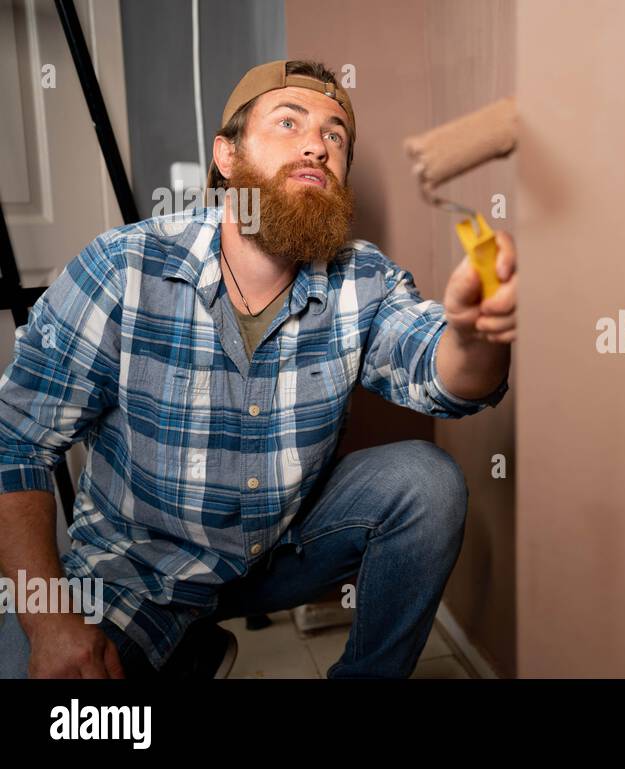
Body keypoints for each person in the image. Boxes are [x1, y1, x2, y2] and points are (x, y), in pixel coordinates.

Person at [0, 60, 516, 678]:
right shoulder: (123, 268)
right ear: (226, 156)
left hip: (276, 553)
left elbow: (445, 374)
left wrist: (475, 331)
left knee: (425, 481)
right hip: (134, 576)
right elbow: (15, 441)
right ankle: (184, 644)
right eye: (289, 122)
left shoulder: (362, 279)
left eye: (335, 136)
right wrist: (49, 620)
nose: (315, 146)